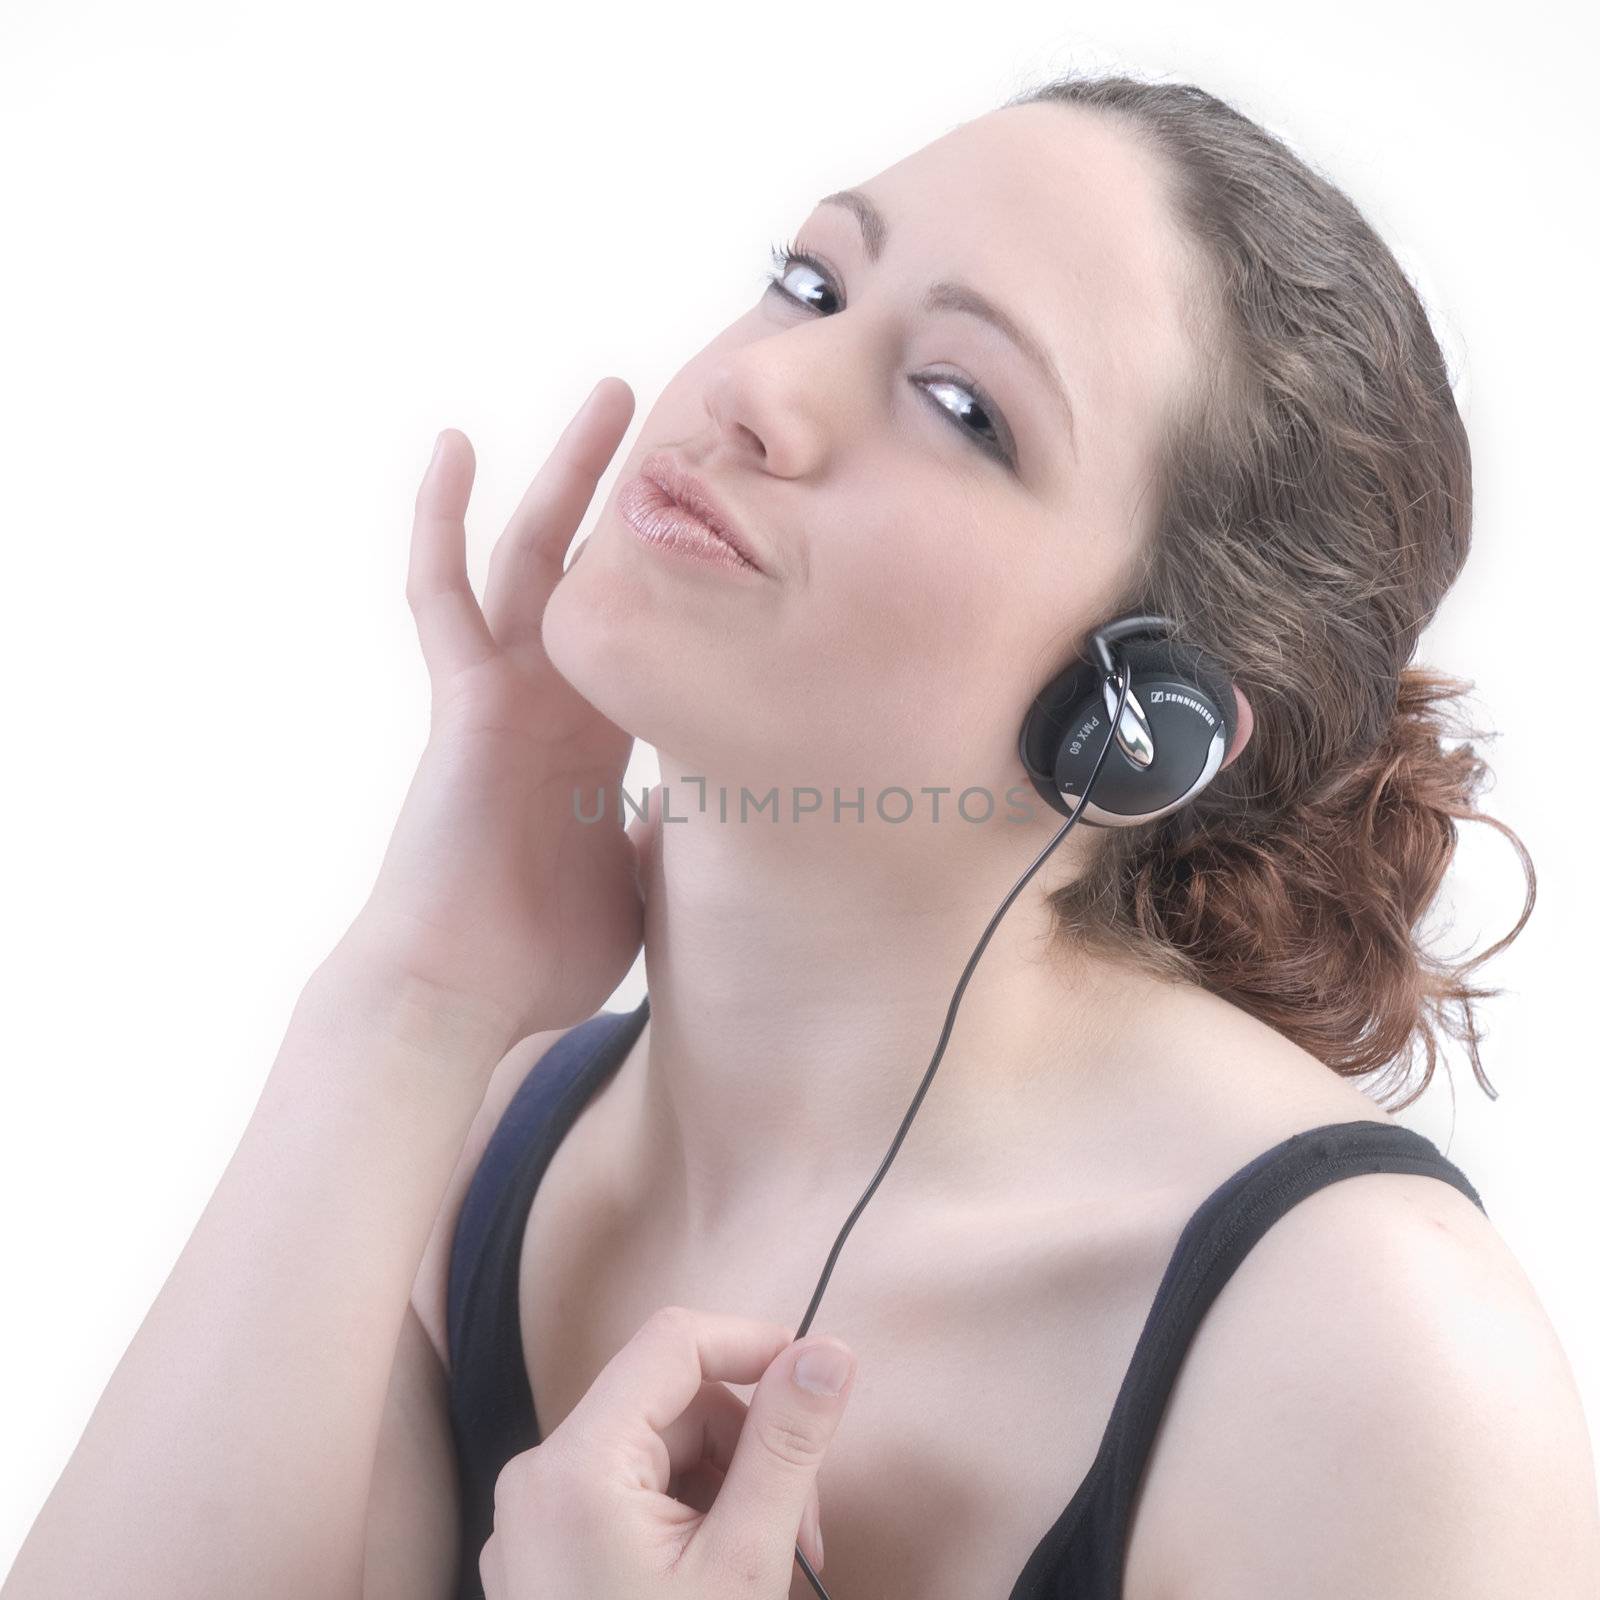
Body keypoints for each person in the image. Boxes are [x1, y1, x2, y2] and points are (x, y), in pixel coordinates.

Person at [6, 69, 1596, 1600]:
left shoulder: (1365, 1354)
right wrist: (410, 995)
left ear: (1139, 719)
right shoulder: (476, 1138)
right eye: (812, 284)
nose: (759, 392)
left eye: (964, 406)